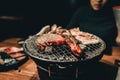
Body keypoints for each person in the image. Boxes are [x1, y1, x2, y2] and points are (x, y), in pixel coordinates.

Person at [66, 0, 120, 80]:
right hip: (81, 58)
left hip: (106, 58)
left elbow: (118, 43)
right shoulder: (81, 11)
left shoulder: (115, 13)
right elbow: (67, 32)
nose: (98, 0)